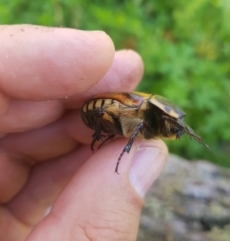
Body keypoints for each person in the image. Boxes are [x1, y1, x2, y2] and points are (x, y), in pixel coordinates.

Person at [0, 25, 168, 241]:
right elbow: (111, 115)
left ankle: (104, 136)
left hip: (104, 116)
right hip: (100, 111)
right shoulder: (143, 109)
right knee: (107, 116)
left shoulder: (148, 117)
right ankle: (103, 136)